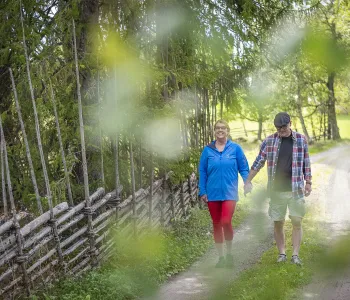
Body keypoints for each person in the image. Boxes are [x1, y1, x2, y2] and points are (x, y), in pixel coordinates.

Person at [244, 112, 312, 265]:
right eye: (278, 128)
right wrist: (248, 180)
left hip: (296, 190)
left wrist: (308, 182)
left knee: (297, 221)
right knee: (278, 222)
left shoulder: (301, 140)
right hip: (277, 191)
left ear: (290, 123)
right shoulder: (269, 141)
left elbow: (306, 163)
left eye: (283, 127)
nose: (281, 130)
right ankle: (282, 253)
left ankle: (295, 255)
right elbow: (258, 162)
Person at [199, 119, 250, 268]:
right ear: (214, 131)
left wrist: (247, 182)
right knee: (216, 224)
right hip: (212, 193)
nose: (220, 130)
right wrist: (203, 191)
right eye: (217, 128)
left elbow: (244, 168)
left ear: (227, 131)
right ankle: (221, 258)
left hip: (230, 193)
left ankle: (229, 254)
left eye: (223, 128)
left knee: (226, 221)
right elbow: (202, 171)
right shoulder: (207, 150)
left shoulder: (235, 149)